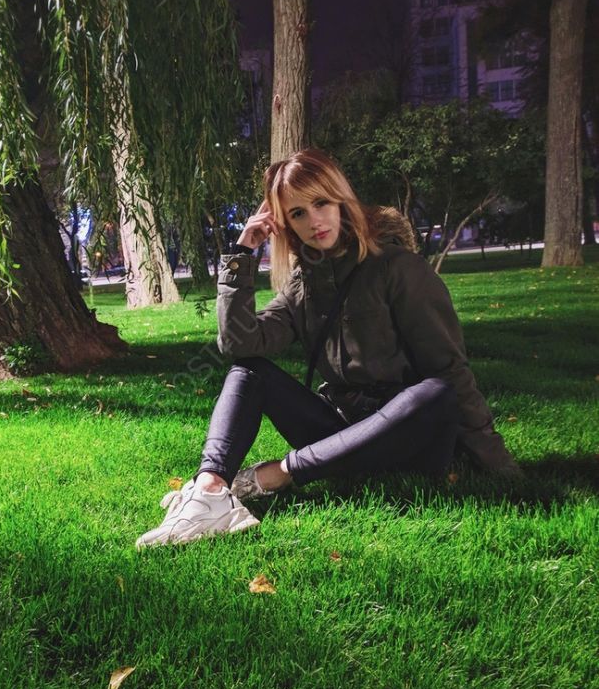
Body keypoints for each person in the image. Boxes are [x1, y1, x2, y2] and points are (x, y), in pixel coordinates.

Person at [136, 148, 519, 549]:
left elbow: (451, 372)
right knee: (248, 372)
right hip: (342, 430)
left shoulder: (399, 268)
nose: (314, 220)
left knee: (436, 392)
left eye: (321, 203)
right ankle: (210, 491)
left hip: (406, 438)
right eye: (297, 213)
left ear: (341, 200)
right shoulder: (304, 284)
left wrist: (498, 464)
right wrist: (241, 255)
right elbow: (240, 343)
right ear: (285, 224)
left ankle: (277, 474)